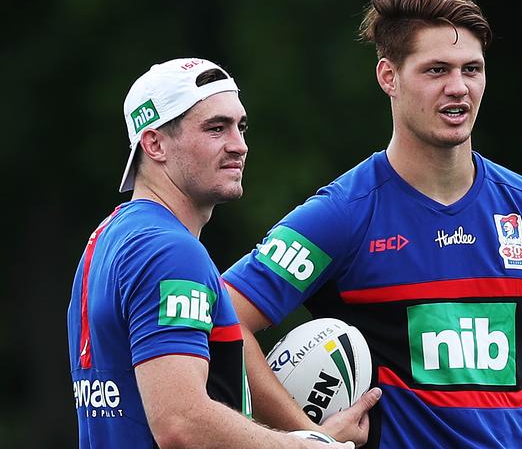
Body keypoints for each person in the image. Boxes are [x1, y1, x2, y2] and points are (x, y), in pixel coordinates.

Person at [223, 0, 522, 448]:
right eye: (436, 70)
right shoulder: (343, 215)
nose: (458, 87)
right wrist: (307, 436)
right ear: (389, 76)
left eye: (472, 69)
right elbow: (223, 316)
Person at [66, 57, 379, 448]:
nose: (239, 145)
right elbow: (181, 423)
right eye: (216, 128)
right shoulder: (170, 251)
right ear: (154, 143)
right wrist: (310, 447)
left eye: (240, 126)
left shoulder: (111, 235)